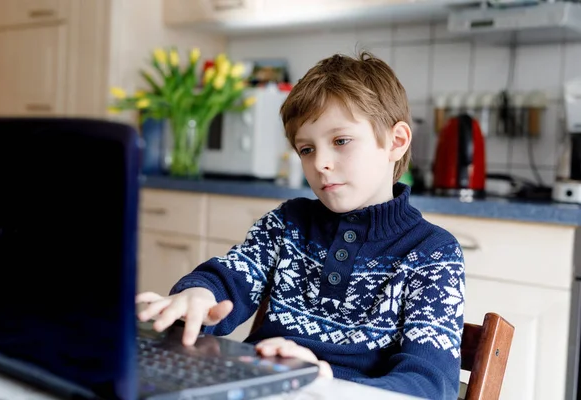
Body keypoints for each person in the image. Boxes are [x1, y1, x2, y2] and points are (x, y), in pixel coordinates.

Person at [137, 51, 466, 399]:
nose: (320, 163)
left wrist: (328, 385)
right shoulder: (286, 223)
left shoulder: (433, 253)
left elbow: (430, 386)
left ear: (396, 142)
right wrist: (199, 297)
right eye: (306, 149)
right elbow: (231, 276)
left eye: (340, 141)